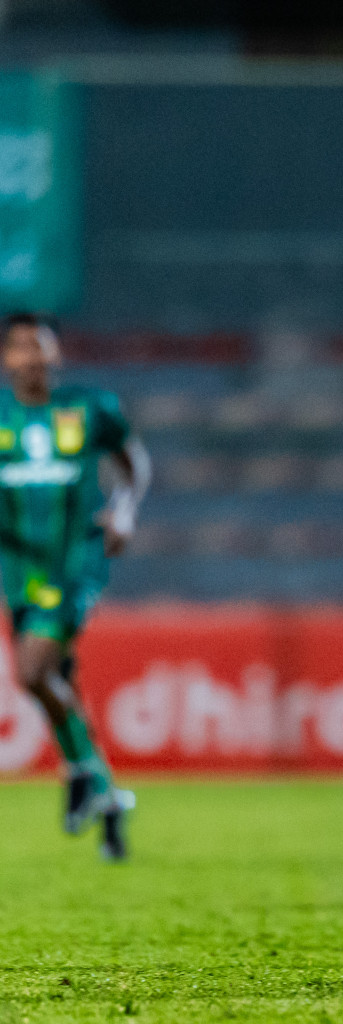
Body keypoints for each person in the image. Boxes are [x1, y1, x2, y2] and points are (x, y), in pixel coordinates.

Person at [0, 312, 148, 860]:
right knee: (53, 682)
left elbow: (134, 459)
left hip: (75, 560)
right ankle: (107, 798)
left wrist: (125, 510)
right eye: (21, 348)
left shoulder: (89, 408)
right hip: (19, 572)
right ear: (7, 358)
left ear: (56, 355)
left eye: (41, 347)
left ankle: (82, 772)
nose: (32, 357)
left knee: (32, 671)